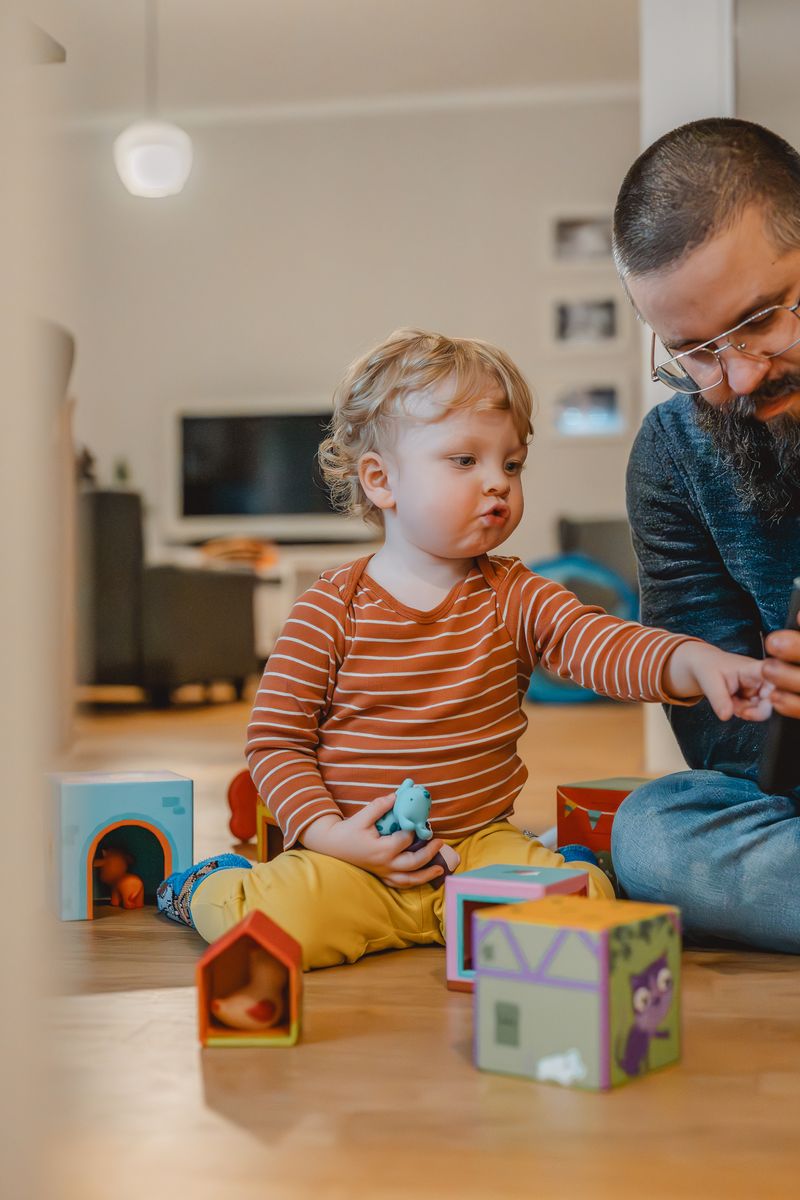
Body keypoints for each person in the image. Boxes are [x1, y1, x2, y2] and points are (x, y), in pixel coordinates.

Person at [157, 329, 771, 968]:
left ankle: (547, 873)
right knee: (275, 922)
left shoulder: (515, 593)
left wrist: (692, 661)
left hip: (478, 850)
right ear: (381, 481)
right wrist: (330, 835)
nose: (497, 484)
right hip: (351, 861)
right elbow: (276, 743)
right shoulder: (328, 608)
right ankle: (210, 882)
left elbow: (600, 642)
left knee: (583, 895)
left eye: (511, 464)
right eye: (464, 461)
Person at [610, 117, 800, 953]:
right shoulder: (676, 456)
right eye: (695, 353)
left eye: (760, 320)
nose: (743, 378)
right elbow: (726, 753)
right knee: (653, 833)